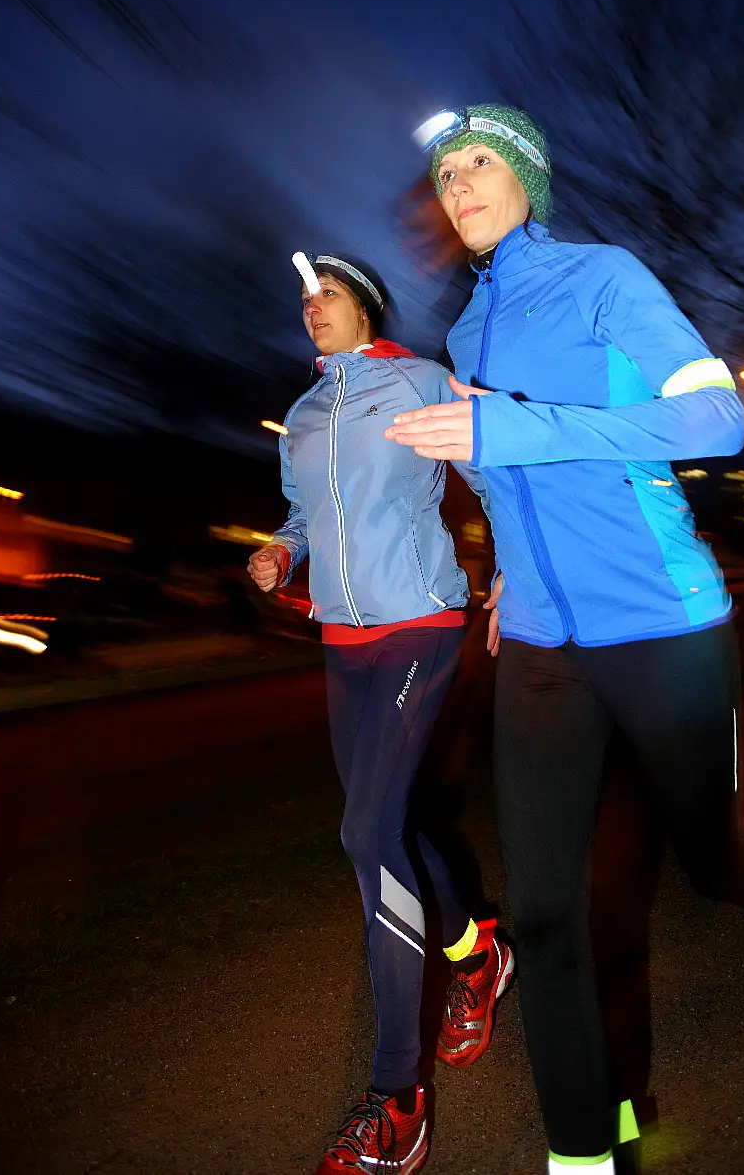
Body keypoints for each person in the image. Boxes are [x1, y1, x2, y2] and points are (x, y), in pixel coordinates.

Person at [386, 106, 744, 1174]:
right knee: (547, 913)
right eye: (443, 172)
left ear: (525, 177)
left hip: (665, 627)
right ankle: (587, 1154)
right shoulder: (463, 335)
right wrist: (508, 555)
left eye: (478, 162)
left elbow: (712, 420)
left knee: (713, 862)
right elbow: (511, 470)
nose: (457, 184)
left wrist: (508, 428)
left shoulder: (603, 277)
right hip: (544, 650)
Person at [248, 250, 514, 1175]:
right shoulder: (305, 414)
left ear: (363, 306)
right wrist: (281, 555)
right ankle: (478, 955)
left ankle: (396, 1097)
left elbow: (485, 469)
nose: (311, 308)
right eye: (303, 300)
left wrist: (508, 569)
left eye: (326, 294)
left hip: (420, 623)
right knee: (387, 823)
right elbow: (296, 514)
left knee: (365, 833)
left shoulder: (416, 379)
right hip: (341, 642)